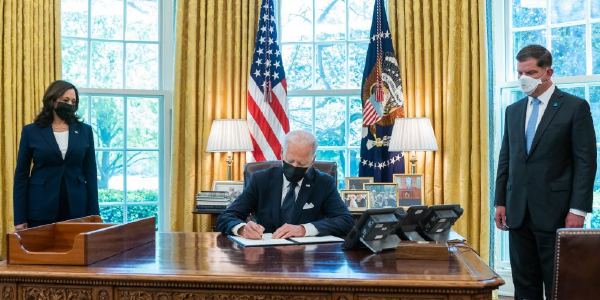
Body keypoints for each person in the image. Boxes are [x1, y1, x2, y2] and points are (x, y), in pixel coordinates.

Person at [494, 45, 596, 300]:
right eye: (519, 73)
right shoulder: (513, 110)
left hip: (558, 213)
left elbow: (586, 163)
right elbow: (506, 158)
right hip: (518, 213)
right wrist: (500, 201)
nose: (522, 79)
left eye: (529, 72)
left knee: (559, 286)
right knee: (524, 285)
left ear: (548, 72)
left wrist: (578, 210)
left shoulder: (575, 107)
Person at [217, 130, 354, 239]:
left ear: (313, 160)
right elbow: (226, 217)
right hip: (265, 255)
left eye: (301, 164)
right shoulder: (260, 180)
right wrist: (241, 229)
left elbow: (346, 221)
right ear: (282, 153)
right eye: (290, 161)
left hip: (308, 257)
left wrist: (304, 229)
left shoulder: (324, 183)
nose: (294, 167)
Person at [13, 80, 99, 230]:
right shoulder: (31, 131)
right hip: (40, 208)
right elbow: (21, 176)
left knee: (77, 253)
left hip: (77, 210)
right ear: (52, 101)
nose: (70, 104)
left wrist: (94, 215)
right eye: (65, 100)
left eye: (73, 101)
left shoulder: (85, 131)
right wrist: (20, 217)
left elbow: (90, 174)